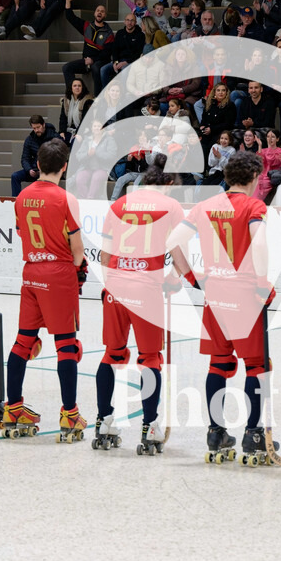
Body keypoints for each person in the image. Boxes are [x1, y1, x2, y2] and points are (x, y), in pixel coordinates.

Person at [167, 151, 280, 464]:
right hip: (244, 293)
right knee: (256, 366)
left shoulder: (205, 206)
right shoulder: (255, 206)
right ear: (255, 178)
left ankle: (216, 432)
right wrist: (261, 282)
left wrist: (190, 276)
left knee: (219, 363)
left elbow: (173, 240)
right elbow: (258, 242)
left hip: (214, 293)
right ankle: (254, 434)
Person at [95, 153, 190, 453]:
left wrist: (110, 286)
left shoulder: (119, 204)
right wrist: (176, 277)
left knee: (111, 353)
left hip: (115, 287)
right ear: (168, 183)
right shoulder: (172, 206)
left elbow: (105, 256)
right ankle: (149, 425)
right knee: (150, 357)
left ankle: (103, 420)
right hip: (146, 287)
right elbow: (180, 256)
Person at [4, 139, 88, 440]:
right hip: (58, 273)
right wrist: (79, 267)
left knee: (23, 341)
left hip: (31, 273)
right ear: (64, 167)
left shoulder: (22, 196)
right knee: (67, 345)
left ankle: (12, 407)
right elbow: (77, 251)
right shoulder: (66, 199)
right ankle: (70, 414)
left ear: (37, 165)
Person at [62, 0, 114, 95]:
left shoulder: (108, 33)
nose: (100, 12)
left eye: (102, 11)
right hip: (86, 61)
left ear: (105, 16)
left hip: (100, 61)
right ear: (94, 13)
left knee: (95, 67)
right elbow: (70, 17)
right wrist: (68, 1)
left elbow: (106, 53)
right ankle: (72, 96)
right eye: (98, 10)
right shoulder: (86, 26)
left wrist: (93, 60)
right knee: (66, 68)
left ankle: (97, 97)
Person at [11, 115, 57, 195]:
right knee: (15, 176)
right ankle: (16, 202)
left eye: (38, 127)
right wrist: (29, 169)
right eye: (34, 128)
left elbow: (57, 157)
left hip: (48, 171)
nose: (36, 130)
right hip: (34, 168)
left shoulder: (54, 137)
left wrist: (44, 170)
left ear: (43, 125)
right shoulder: (30, 139)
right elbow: (25, 158)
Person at [101, 13, 143, 89]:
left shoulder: (140, 35)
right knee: (103, 69)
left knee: (124, 70)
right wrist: (115, 61)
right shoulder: (120, 33)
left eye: (132, 20)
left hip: (131, 62)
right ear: (124, 21)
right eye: (127, 20)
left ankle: (123, 95)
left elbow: (138, 53)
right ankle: (105, 94)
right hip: (119, 60)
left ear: (135, 22)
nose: (129, 23)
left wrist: (126, 62)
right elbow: (115, 49)